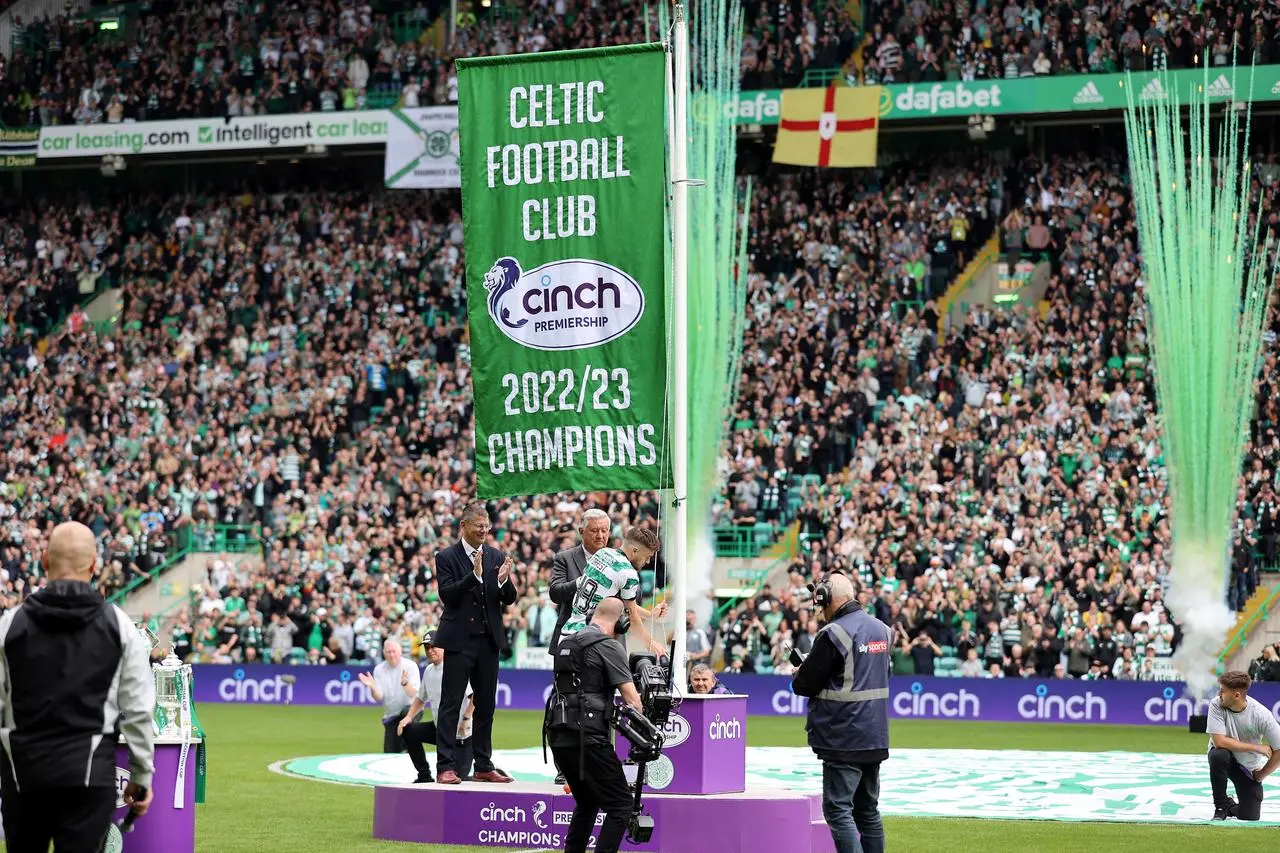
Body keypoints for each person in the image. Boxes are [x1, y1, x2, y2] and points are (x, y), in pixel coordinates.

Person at [0, 521, 155, 852]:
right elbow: (139, 710)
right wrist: (141, 778)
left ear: (45, 561)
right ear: (94, 566)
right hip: (89, 778)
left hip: (24, 775)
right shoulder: (121, 627)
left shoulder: (9, 625)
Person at [791, 572, 891, 853]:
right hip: (875, 733)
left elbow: (804, 684)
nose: (819, 610)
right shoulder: (882, 629)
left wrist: (801, 670)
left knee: (838, 811)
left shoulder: (834, 633)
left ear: (826, 599)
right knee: (868, 812)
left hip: (843, 735)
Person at [433, 502, 519, 785]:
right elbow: (448, 595)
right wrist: (475, 576)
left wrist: (504, 582)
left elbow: (507, 598)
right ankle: (446, 765)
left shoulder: (496, 555)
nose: (483, 530)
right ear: (463, 526)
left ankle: (483, 765)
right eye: (478, 526)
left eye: (486, 526)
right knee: (451, 704)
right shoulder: (446, 557)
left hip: (488, 642)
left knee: (486, 706)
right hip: (459, 641)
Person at [547, 598, 640, 853]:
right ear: (621, 621)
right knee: (621, 805)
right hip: (589, 737)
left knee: (587, 802)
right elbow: (632, 699)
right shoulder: (608, 646)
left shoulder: (566, 643)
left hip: (558, 736)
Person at [547, 508, 612, 784]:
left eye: (605, 531)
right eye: (595, 530)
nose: (600, 535)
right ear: (581, 532)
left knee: (605, 705)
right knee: (565, 705)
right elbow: (555, 592)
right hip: (569, 645)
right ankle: (565, 767)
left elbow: (630, 594)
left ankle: (601, 766)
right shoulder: (565, 558)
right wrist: (583, 582)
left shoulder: (615, 560)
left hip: (603, 643)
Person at [558, 526, 668, 659]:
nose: (648, 561)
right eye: (647, 557)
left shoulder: (602, 553)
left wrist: (649, 615)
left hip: (567, 636)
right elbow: (631, 615)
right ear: (635, 550)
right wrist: (651, 644)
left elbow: (624, 605)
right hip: (589, 642)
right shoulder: (628, 573)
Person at [397, 631, 475, 783]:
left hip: (461, 735)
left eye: (433, 646)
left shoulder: (457, 668)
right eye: (427, 648)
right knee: (409, 731)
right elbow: (420, 698)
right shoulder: (429, 671)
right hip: (440, 730)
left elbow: (474, 696)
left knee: (459, 780)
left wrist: (466, 718)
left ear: (444, 647)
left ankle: (486, 773)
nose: (430, 650)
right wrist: (408, 717)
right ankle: (424, 775)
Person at [1207, 670, 1280, 821]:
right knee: (1219, 754)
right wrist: (1256, 747)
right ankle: (1220, 806)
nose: (1219, 693)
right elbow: (1219, 741)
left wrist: (1262, 774)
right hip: (1224, 757)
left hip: (1247, 766)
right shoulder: (1216, 704)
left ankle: (1229, 806)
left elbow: (1279, 749)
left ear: (1236, 696)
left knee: (1250, 815)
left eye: (1223, 690)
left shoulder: (1261, 715)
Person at [358, 638, 421, 754]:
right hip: (391, 715)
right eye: (388, 652)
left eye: (394, 651)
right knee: (390, 753)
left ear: (400, 651)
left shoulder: (410, 666)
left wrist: (405, 683)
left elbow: (414, 694)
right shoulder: (379, 669)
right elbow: (379, 697)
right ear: (384, 653)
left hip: (412, 711)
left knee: (407, 712)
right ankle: (404, 746)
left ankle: (410, 746)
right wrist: (373, 687)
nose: (392, 655)